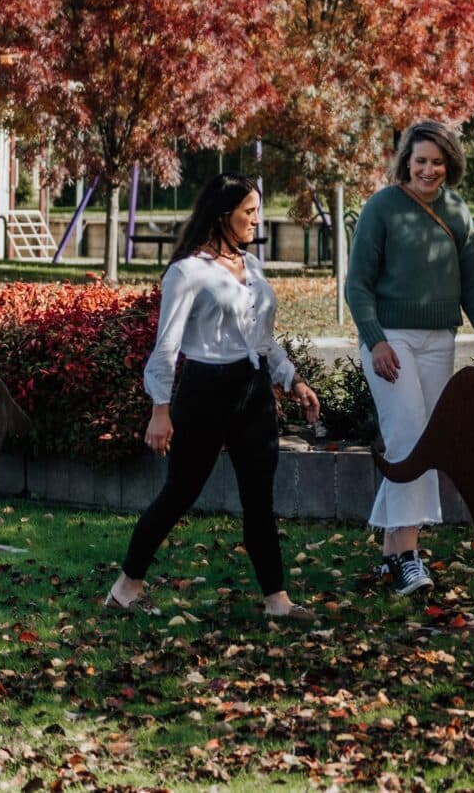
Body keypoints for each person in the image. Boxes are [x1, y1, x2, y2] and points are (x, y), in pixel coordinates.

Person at [106, 173, 321, 620]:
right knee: (180, 494)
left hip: (255, 391)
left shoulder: (252, 268)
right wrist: (159, 411)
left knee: (259, 497)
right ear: (223, 215)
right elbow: (166, 345)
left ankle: (276, 600)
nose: (257, 222)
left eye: (257, 211)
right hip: (205, 391)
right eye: (249, 213)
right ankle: (126, 586)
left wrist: (292, 379)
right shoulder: (188, 272)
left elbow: (262, 339)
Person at [346, 120, 474, 597]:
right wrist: (375, 339)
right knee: (411, 438)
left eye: (438, 162)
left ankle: (389, 554)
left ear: (450, 164)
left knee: (423, 443)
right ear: (406, 161)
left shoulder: (456, 210)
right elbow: (357, 284)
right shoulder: (381, 208)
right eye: (420, 161)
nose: (429, 169)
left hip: (440, 339)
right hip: (391, 339)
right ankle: (406, 558)